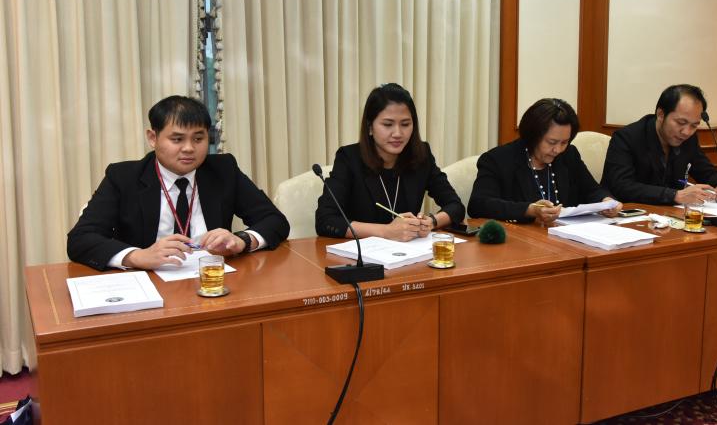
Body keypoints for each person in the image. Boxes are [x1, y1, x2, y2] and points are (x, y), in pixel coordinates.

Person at [68, 96, 290, 271]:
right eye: (177, 139)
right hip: (149, 283)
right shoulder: (123, 177)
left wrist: (242, 240)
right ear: (153, 138)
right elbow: (80, 239)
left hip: (212, 279)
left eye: (198, 139)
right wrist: (138, 256)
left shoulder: (223, 170)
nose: (189, 148)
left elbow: (274, 220)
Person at [315, 83, 465, 241]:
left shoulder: (421, 155)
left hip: (408, 252)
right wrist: (386, 231)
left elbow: (455, 206)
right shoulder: (349, 158)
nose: (398, 133)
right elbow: (326, 220)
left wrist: (431, 222)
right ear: (370, 126)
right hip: (362, 253)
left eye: (405, 124)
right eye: (388, 124)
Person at [468, 98, 621, 224]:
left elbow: (592, 190)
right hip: (521, 241)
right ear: (533, 135)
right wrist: (530, 210)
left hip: (566, 238)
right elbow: (478, 205)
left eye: (564, 142)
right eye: (552, 142)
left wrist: (607, 201)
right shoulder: (498, 160)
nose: (558, 150)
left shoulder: (569, 155)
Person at [601, 84, 717, 205]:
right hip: (625, 214)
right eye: (681, 123)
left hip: (668, 216)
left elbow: (706, 171)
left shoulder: (689, 139)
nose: (686, 132)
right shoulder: (627, 138)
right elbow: (622, 187)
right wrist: (674, 195)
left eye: (694, 125)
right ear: (660, 114)